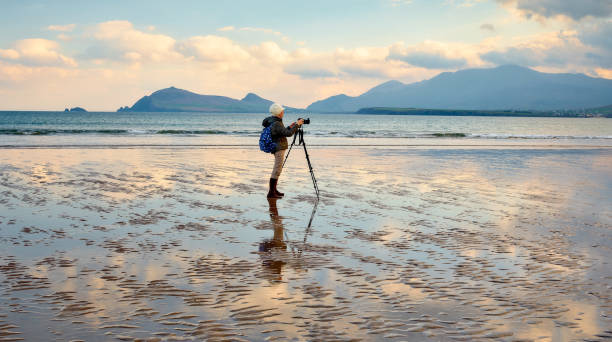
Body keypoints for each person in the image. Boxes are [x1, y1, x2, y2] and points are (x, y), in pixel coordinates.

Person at [262, 103, 304, 198]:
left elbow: (283, 132)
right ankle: (271, 193)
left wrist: (292, 126)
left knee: (278, 169)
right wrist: (297, 125)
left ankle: (274, 190)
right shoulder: (276, 123)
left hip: (278, 147)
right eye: (282, 111)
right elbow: (288, 134)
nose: (283, 112)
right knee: (277, 169)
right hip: (279, 148)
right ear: (279, 112)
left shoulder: (274, 121)